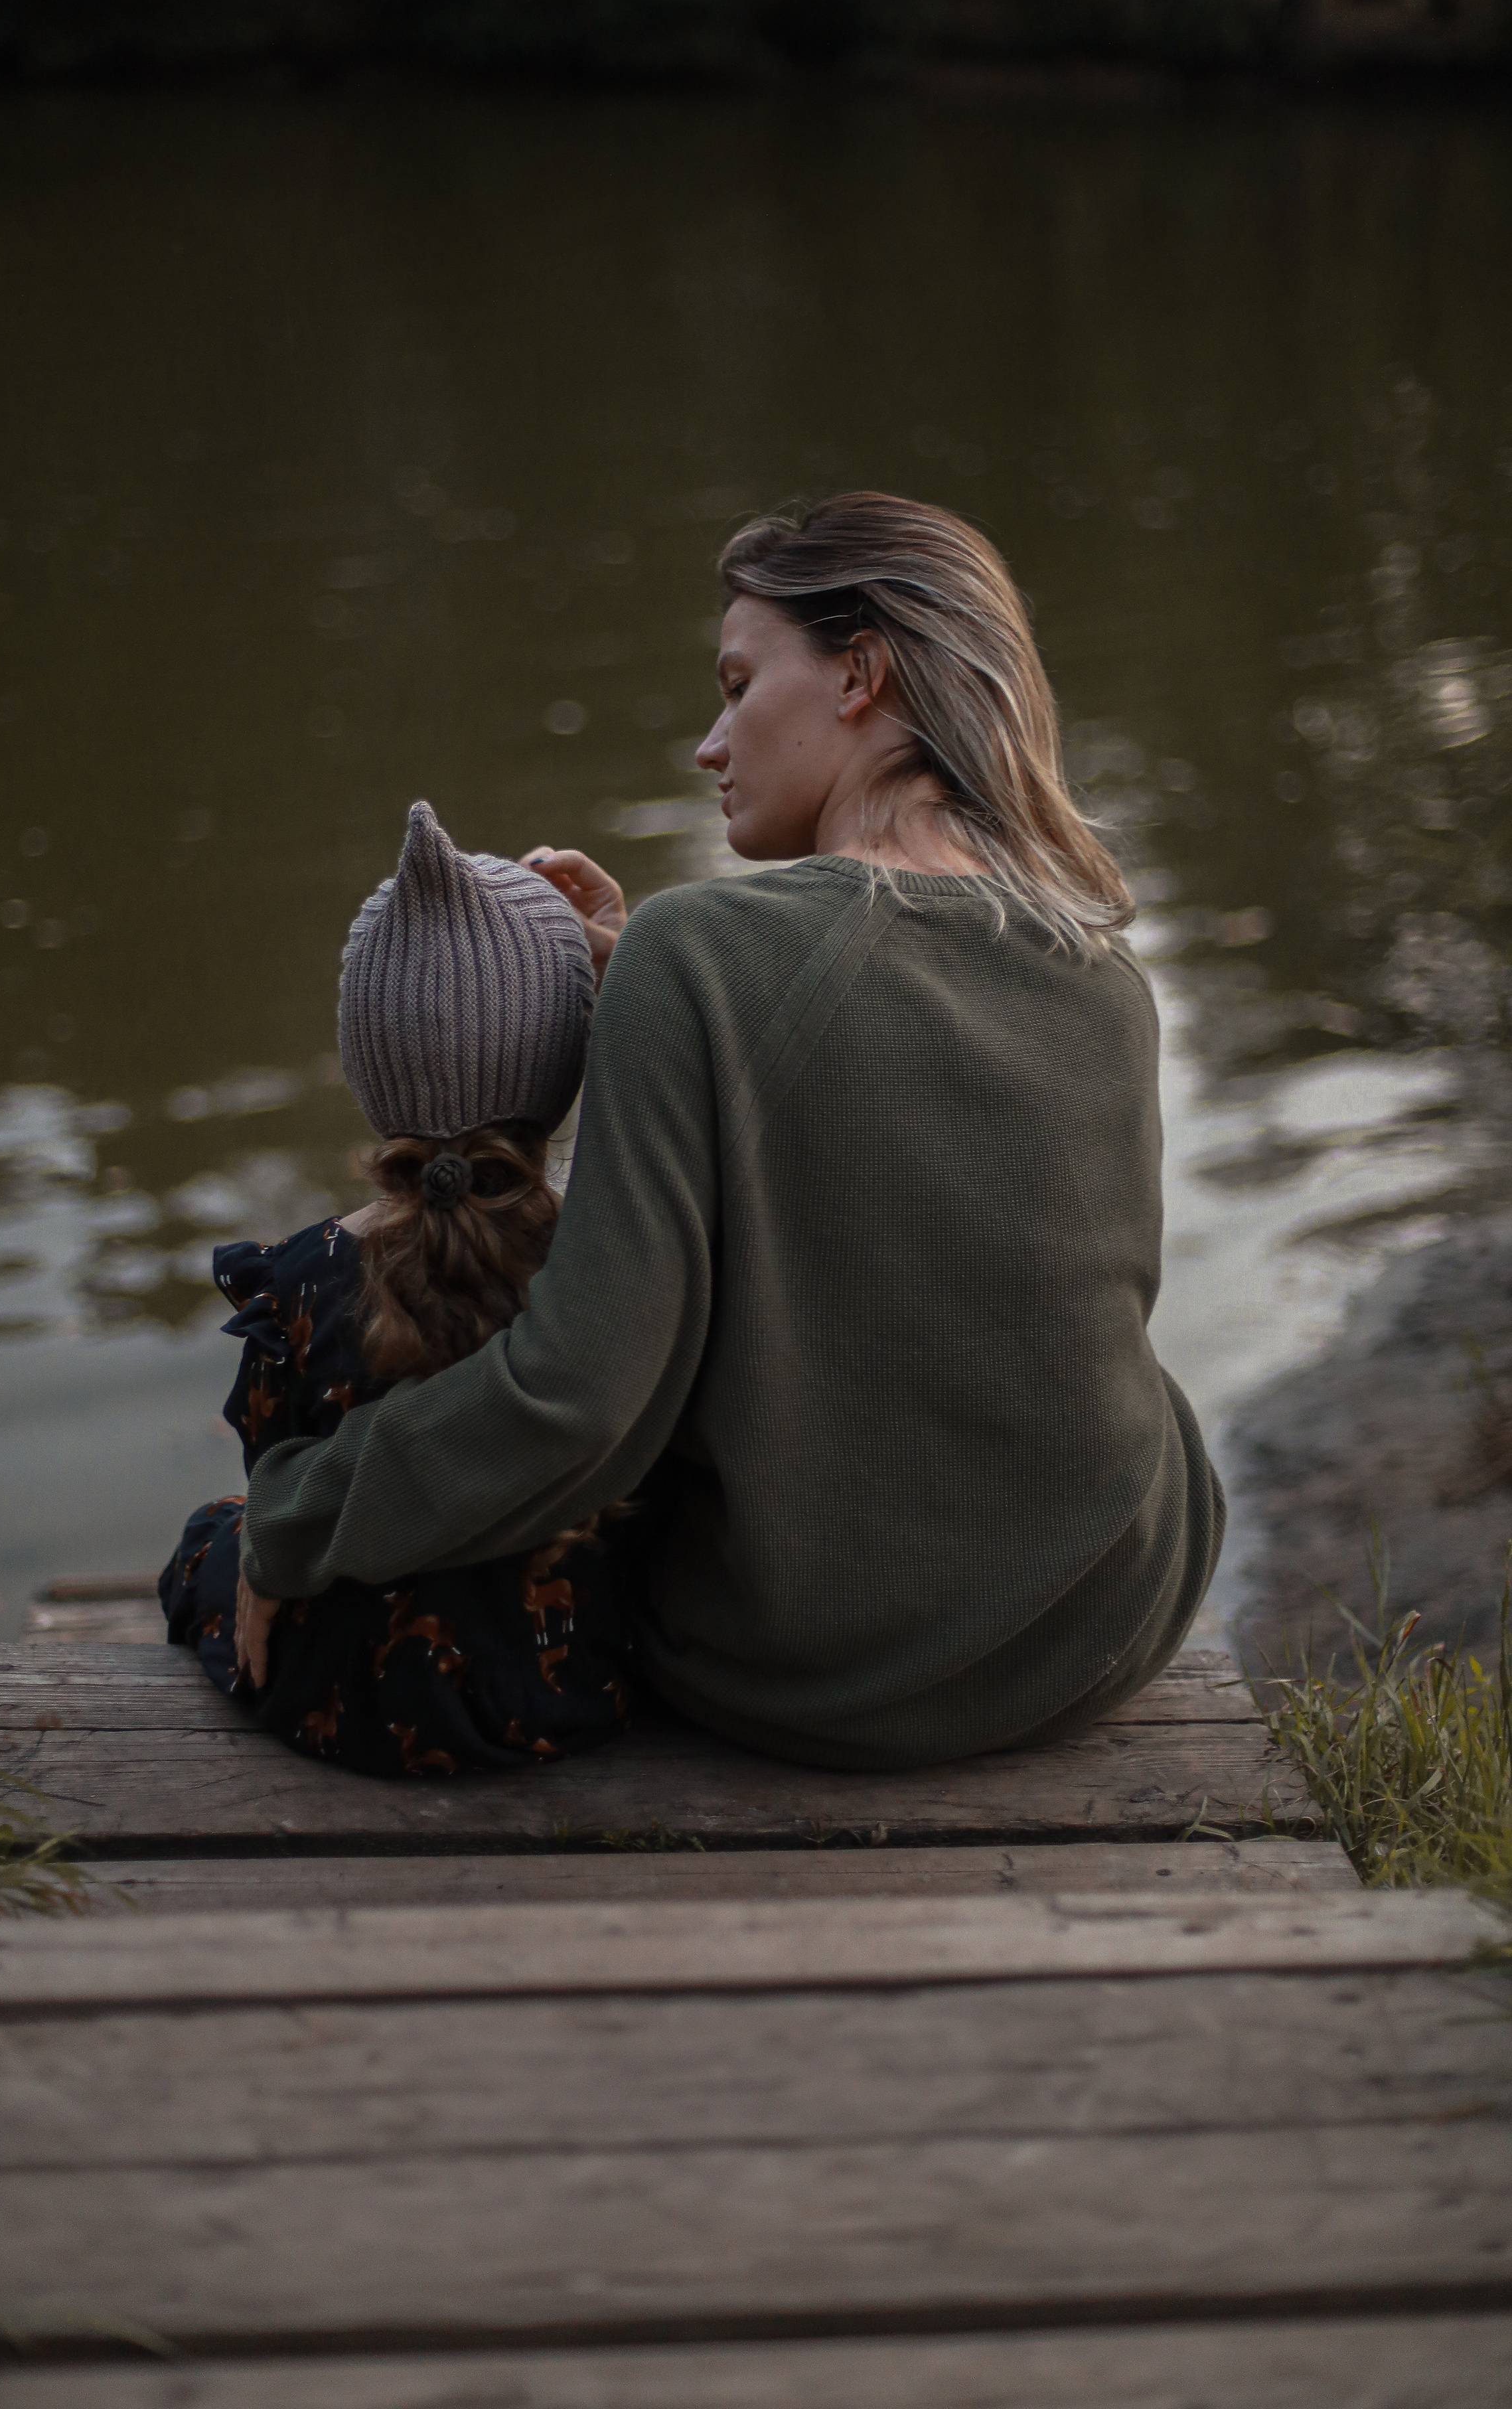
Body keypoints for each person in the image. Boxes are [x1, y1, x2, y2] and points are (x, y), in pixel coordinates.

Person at [234, 492, 1225, 1771]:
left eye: (740, 681)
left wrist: (296, 1514)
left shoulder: (698, 953)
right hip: (1111, 1619)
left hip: (820, 1677)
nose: (711, 741)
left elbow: (578, 1404)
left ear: (861, 673)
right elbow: (894, 1098)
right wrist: (648, 978)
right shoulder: (1099, 969)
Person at [159, 801, 632, 1775]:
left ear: (365, 1067)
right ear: (566, 1063)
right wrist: (625, 998)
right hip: (574, 1684)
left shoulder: (301, 1279)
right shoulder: (614, 1258)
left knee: (214, 1535)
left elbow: (269, 1454)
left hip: (357, 1707)